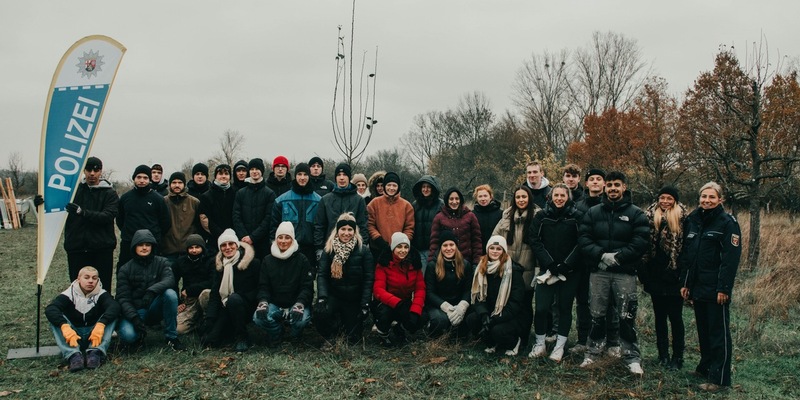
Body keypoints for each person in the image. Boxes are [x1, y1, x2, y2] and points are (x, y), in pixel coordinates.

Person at [578, 171, 649, 375]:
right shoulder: (594, 212)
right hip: (599, 272)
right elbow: (584, 238)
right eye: (609, 185)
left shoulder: (636, 213)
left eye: (617, 185)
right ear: (605, 188)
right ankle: (593, 352)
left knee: (626, 314)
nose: (613, 188)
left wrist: (618, 257)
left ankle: (631, 357)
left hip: (625, 273)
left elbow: (641, 241)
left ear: (624, 187)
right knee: (597, 313)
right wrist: (601, 255)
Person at [680, 182, 741, 392]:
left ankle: (720, 379)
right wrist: (686, 284)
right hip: (698, 286)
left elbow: (730, 260)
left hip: (716, 289)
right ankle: (705, 368)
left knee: (718, 333)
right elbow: (689, 256)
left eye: (711, 197)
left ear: (720, 200)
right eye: (703, 196)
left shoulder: (727, 223)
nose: (706, 200)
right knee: (703, 331)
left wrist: (724, 288)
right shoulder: (694, 220)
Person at [528, 184, 583, 362]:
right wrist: (549, 263)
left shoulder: (577, 217)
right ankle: (540, 343)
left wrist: (567, 264)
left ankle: (560, 346)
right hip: (547, 270)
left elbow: (581, 242)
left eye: (563, 196)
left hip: (570, 270)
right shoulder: (541, 216)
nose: (559, 198)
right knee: (542, 307)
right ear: (550, 198)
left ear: (568, 198)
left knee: (564, 307)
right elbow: (535, 240)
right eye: (556, 195)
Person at [641, 186, 688, 370]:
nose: (665, 201)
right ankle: (662, 355)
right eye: (662, 197)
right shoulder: (649, 216)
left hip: (674, 275)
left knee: (675, 318)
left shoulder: (683, 217)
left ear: (675, 200)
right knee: (659, 317)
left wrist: (681, 274)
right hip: (655, 274)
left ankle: (678, 357)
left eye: (669, 198)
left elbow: (686, 248)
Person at [573, 168, 618, 355]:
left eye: (599, 179)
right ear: (586, 184)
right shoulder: (577, 206)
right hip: (582, 261)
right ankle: (583, 339)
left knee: (608, 302)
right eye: (592, 179)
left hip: (604, 262)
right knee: (583, 302)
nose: (596, 182)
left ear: (604, 184)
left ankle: (612, 341)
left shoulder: (611, 205)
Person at [116, 229, 183, 351]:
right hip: (135, 311)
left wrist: (151, 291)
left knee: (170, 294)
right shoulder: (125, 269)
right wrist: (134, 318)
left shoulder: (162, 262)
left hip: (154, 307)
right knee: (128, 336)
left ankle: (171, 337)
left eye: (148, 245)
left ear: (152, 246)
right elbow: (122, 298)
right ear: (134, 247)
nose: (144, 248)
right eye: (140, 245)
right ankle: (138, 336)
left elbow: (170, 280)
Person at [315, 213, 375, 346]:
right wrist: (322, 297)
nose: (346, 233)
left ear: (355, 231)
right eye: (343, 229)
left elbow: (368, 278)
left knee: (353, 340)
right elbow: (322, 275)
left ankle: (346, 325)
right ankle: (330, 336)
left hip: (354, 298)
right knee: (320, 314)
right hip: (334, 295)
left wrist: (365, 303)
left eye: (350, 229)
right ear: (337, 230)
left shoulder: (363, 250)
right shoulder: (328, 250)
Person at [45, 266, 120, 372]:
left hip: (94, 334)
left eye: (94, 278)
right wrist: (64, 326)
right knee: (56, 318)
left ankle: (95, 352)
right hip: (74, 335)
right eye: (87, 277)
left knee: (112, 315)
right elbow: (51, 309)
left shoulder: (101, 294)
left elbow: (114, 307)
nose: (90, 281)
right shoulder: (68, 294)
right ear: (78, 279)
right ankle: (73, 355)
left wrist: (101, 324)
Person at [493, 185, 539, 351]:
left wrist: (538, 269)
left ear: (529, 199)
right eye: (518, 197)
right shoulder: (506, 216)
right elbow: (495, 239)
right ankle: (509, 337)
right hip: (508, 269)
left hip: (528, 268)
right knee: (508, 304)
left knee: (525, 305)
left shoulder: (537, 216)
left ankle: (524, 337)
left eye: (524, 197)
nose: (521, 200)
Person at [63, 156, 119, 291]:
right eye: (88, 170)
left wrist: (82, 212)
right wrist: (40, 204)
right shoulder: (73, 191)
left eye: (96, 170)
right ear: (83, 171)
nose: (92, 174)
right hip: (77, 247)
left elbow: (107, 216)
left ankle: (102, 312)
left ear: (101, 171)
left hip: (101, 248)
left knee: (102, 287)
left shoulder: (109, 193)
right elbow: (55, 209)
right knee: (77, 287)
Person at [253, 222, 314, 345]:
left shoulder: (302, 259)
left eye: (287, 237)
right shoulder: (267, 260)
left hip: (296, 303)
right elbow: (263, 286)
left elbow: (307, 287)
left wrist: (300, 303)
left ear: (292, 239)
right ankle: (277, 333)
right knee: (257, 318)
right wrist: (263, 302)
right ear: (276, 239)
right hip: (275, 304)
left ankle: (295, 336)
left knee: (301, 320)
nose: (283, 241)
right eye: (280, 237)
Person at [202, 229, 261, 352]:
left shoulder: (252, 263)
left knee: (234, 299)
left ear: (237, 245)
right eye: (223, 245)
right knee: (210, 340)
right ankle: (227, 332)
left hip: (247, 306)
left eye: (231, 244)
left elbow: (259, 288)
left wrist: (241, 298)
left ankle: (242, 337)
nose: (227, 248)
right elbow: (215, 293)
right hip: (226, 307)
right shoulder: (220, 266)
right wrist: (210, 319)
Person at [466, 235, 526, 356]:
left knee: (498, 330)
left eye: (498, 248)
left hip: (509, 315)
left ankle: (514, 342)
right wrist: (484, 315)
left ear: (503, 251)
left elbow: (516, 303)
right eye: (492, 248)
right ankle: (492, 342)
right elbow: (477, 297)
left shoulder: (513, 271)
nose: (494, 251)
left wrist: (495, 319)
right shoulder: (481, 268)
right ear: (487, 249)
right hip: (489, 311)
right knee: (472, 319)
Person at [372, 232, 425, 346]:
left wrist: (415, 310)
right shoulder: (384, 263)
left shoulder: (414, 264)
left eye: (406, 247)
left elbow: (420, 289)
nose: (403, 250)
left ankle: (400, 329)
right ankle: (383, 334)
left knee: (421, 316)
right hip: (387, 303)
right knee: (384, 314)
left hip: (405, 302)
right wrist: (397, 303)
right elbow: (378, 290)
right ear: (393, 248)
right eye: (399, 247)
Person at [117, 165, 171, 268]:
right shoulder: (125, 198)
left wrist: (153, 236)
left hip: (151, 244)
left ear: (149, 179)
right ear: (134, 178)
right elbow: (120, 219)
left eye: (145, 178)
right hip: (129, 243)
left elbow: (165, 222)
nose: (142, 180)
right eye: (139, 177)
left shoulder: (158, 199)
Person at [270, 162, 322, 268]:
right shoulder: (281, 200)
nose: (302, 178)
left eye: (305, 175)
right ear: (295, 176)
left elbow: (320, 227)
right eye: (299, 174)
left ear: (309, 176)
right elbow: (274, 226)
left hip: (310, 250)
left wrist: (319, 248)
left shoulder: (319, 201)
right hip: (287, 248)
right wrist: (273, 245)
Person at [424, 230, 473, 338]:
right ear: (440, 247)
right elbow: (429, 292)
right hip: (438, 304)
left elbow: (468, 289)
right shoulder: (433, 265)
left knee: (467, 322)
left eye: (452, 244)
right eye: (445, 245)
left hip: (458, 303)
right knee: (440, 321)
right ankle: (432, 325)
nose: (449, 248)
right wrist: (445, 307)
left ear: (456, 246)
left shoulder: (465, 264)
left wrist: (462, 306)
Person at [314, 163, 370, 255]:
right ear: (335, 178)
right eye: (339, 175)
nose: (342, 178)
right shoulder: (326, 200)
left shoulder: (359, 200)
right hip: (330, 248)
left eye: (344, 175)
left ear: (349, 178)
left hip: (353, 250)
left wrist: (362, 246)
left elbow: (363, 225)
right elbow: (319, 226)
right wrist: (319, 248)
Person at [232, 158, 277, 259]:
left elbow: (268, 218)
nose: (254, 171)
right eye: (252, 169)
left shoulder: (269, 193)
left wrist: (253, 237)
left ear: (262, 171)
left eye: (257, 169)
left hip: (262, 242)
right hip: (243, 241)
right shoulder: (241, 193)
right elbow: (236, 216)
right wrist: (244, 236)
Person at [429, 187, 483, 265]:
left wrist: (476, 262)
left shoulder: (470, 216)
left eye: (457, 199)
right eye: (451, 199)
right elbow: (434, 242)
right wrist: (432, 262)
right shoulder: (439, 217)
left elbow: (476, 241)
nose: (454, 202)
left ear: (460, 200)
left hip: (466, 261)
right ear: (447, 201)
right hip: (446, 263)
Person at [172, 234, 214, 335]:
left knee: (206, 293)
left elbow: (212, 281)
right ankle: (196, 322)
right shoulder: (180, 262)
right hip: (189, 300)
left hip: (205, 297)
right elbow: (172, 282)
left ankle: (206, 319)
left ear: (202, 248)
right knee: (178, 330)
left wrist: (190, 290)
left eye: (197, 247)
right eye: (191, 247)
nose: (194, 250)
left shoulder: (210, 260)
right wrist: (178, 302)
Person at [367, 171, 415, 259]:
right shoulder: (374, 203)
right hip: (378, 249)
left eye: (394, 185)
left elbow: (409, 228)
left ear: (398, 187)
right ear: (384, 186)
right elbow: (370, 225)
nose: (391, 188)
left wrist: (401, 244)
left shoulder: (406, 206)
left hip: (399, 251)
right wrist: (379, 240)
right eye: (389, 185)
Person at [161, 171, 201, 261]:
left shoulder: (194, 202)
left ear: (184, 184)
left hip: (189, 250)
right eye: (174, 183)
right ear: (170, 184)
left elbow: (199, 225)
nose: (177, 185)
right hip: (168, 250)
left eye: (180, 182)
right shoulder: (163, 202)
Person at [198, 164, 237, 251]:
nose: (223, 176)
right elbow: (204, 218)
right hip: (213, 239)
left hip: (233, 238)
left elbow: (238, 215)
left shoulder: (236, 194)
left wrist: (231, 234)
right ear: (215, 176)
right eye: (220, 174)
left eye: (226, 174)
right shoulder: (206, 196)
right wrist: (221, 234)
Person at [411, 175, 444, 267]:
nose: (425, 189)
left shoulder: (440, 205)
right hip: (419, 249)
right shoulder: (415, 205)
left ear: (433, 189)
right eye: (423, 187)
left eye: (428, 187)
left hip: (435, 249)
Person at [472, 184, 503, 250]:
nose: (483, 199)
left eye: (485, 196)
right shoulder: (472, 215)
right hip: (478, 251)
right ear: (476, 198)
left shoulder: (500, 213)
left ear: (490, 197)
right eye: (480, 196)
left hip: (496, 250)